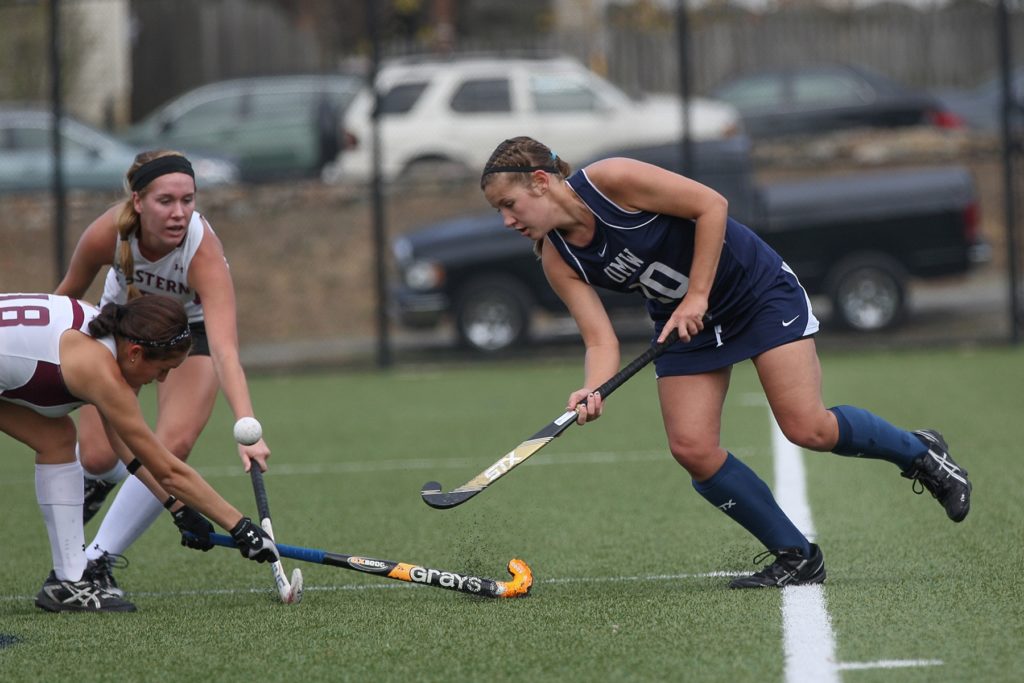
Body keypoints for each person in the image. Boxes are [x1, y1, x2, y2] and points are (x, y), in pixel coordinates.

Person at [479, 136, 972, 588]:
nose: (506, 221)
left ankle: (922, 454)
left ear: (540, 183)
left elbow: (711, 205)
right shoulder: (557, 259)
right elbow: (600, 341)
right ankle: (797, 556)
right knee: (692, 447)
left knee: (808, 427)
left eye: (509, 204)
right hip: (687, 326)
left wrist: (696, 295)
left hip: (756, 294)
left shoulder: (612, 181)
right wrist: (592, 389)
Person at [54, 149, 270, 595]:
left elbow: (226, 349)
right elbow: (64, 300)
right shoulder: (107, 234)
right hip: (119, 327)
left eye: (188, 201)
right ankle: (127, 480)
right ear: (138, 202)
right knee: (96, 457)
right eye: (166, 201)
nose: (179, 213)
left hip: (189, 336)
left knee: (172, 444)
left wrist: (247, 428)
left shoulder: (201, 248)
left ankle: (96, 561)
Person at [0, 293, 279, 612]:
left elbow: (128, 451)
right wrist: (241, 526)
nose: (160, 380)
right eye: (162, 369)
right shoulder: (101, 373)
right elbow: (168, 470)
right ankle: (70, 580)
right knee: (57, 438)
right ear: (135, 353)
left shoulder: (101, 333)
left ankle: (69, 584)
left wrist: (177, 508)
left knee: (57, 439)